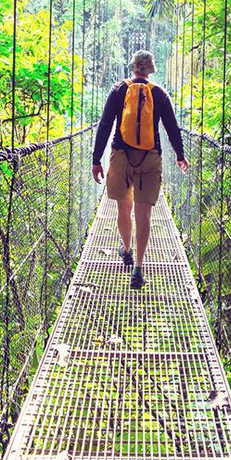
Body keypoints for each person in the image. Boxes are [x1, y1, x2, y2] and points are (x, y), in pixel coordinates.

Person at [91, 50, 189, 289]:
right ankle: (139, 269)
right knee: (143, 213)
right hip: (150, 157)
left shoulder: (118, 90)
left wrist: (96, 159)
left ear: (132, 68)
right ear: (151, 70)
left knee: (123, 208)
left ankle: (126, 250)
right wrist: (180, 154)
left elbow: (105, 125)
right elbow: (172, 128)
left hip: (121, 156)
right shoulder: (160, 94)